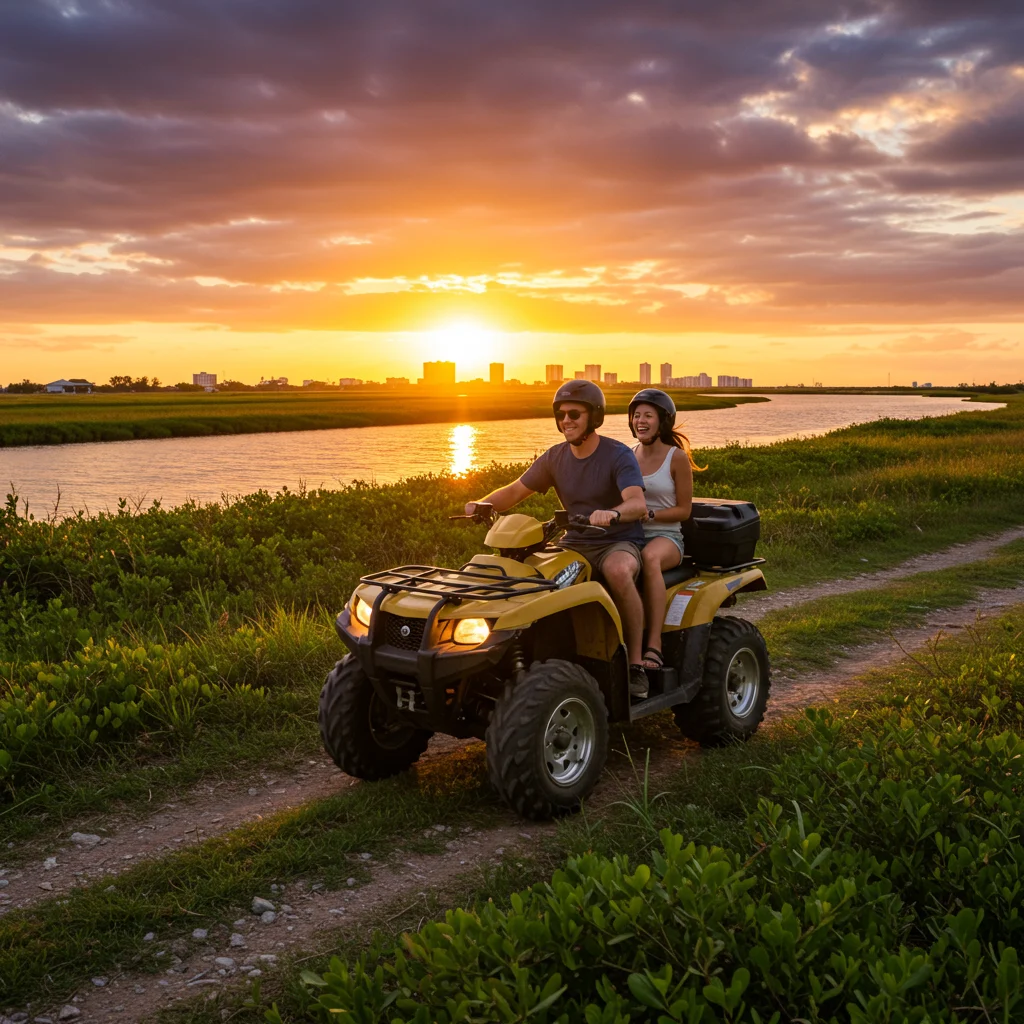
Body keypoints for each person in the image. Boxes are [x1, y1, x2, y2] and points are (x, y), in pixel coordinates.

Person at [465, 380, 651, 698]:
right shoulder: (555, 458)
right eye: (561, 414)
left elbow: (637, 502)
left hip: (618, 541)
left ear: (594, 417)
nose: (566, 420)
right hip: (575, 542)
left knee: (618, 572)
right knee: (532, 576)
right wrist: (483, 503)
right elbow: (514, 491)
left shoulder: (617, 454)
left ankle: (636, 664)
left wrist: (613, 513)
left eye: (574, 414)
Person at [627, 388, 704, 671]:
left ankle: (655, 644)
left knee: (650, 558)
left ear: (663, 421)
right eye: (636, 415)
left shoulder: (677, 458)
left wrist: (650, 514)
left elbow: (684, 510)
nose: (641, 420)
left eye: (648, 415)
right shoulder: (628, 455)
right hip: (631, 535)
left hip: (667, 537)